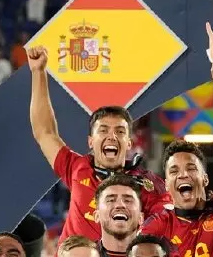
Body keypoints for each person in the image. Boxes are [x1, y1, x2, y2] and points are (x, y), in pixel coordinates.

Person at [26, 45, 166, 243]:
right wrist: (38, 72)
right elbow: (44, 131)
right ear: (91, 141)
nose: (111, 137)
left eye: (119, 131)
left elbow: (173, 222)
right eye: (103, 130)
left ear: (128, 143)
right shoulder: (76, 168)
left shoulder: (148, 185)